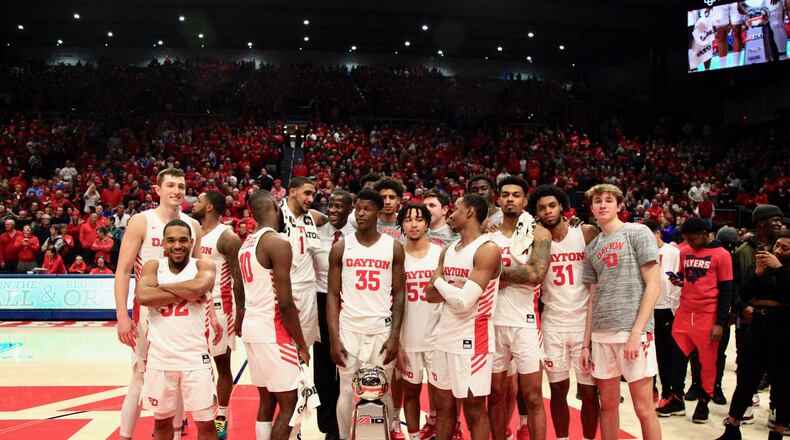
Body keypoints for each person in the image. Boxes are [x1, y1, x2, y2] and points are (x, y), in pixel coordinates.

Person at [114, 168, 203, 440]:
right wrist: (122, 316)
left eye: (181, 185)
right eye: (171, 185)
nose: (177, 190)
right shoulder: (142, 221)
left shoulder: (193, 226)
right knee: (139, 379)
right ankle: (125, 436)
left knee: (177, 380)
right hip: (148, 316)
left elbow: (199, 274)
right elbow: (123, 270)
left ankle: (175, 434)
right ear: (158, 190)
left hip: (184, 316)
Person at [579, 184, 662, 440]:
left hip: (632, 332)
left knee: (643, 408)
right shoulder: (592, 248)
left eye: (608, 200)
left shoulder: (637, 233)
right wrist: (586, 344)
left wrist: (637, 332)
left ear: (619, 206)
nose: (602, 205)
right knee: (609, 405)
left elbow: (654, 284)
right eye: (597, 201)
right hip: (602, 334)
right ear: (591, 207)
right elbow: (592, 298)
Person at [327, 189, 405, 440]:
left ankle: (382, 436)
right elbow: (331, 295)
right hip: (349, 327)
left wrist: (395, 336)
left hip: (381, 328)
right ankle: (344, 437)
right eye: (357, 208)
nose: (360, 213)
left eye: (367, 209)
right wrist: (334, 338)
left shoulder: (393, 247)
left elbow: (400, 295)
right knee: (347, 392)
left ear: (379, 212)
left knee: (383, 391)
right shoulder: (341, 247)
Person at [135, 219, 220, 440]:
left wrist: (159, 289)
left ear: (192, 241)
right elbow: (143, 296)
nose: (177, 245)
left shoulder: (204, 265)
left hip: (195, 358)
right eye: (171, 240)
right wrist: (187, 291)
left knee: (206, 426)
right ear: (163, 243)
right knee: (161, 423)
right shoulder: (153, 266)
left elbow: (201, 286)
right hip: (160, 359)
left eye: (183, 240)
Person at [426, 194, 501, 440]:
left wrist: (439, 280)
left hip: (473, 340)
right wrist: (452, 286)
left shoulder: (487, 249)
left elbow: (463, 302)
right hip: (444, 337)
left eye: (456, 209)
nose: (450, 214)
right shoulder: (447, 250)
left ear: (470, 212)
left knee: (475, 409)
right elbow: (429, 295)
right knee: (444, 408)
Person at [238, 190, 311, 440]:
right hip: (273, 330)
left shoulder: (247, 243)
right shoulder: (277, 243)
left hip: (253, 326)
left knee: (266, 400)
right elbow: (286, 303)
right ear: (273, 205)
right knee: (292, 404)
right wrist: (301, 344)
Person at [529, 185, 600, 440]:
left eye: (552, 206)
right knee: (558, 390)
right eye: (541, 208)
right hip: (553, 323)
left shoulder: (585, 232)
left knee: (589, 391)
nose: (548, 211)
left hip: (583, 322)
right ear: (536, 213)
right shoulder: (535, 239)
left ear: (562, 207)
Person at [488, 177, 551, 440]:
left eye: (516, 195)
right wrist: (516, 273)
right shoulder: (487, 234)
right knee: (495, 395)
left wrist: (493, 274)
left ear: (525, 200)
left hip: (525, 322)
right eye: (506, 194)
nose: (510, 199)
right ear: (498, 199)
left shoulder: (539, 233)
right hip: (491, 322)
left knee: (533, 395)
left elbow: (537, 272)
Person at [656, 217, 733, 424]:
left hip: (708, 316)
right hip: (684, 313)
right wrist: (678, 280)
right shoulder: (685, 251)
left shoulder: (722, 255)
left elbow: (726, 291)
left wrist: (720, 322)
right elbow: (687, 277)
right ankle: (676, 398)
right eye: (687, 239)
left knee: (707, 362)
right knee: (677, 358)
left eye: (693, 239)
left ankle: (703, 401)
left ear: (707, 234)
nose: (690, 242)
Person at [716, 231, 790, 440]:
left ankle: (777, 432)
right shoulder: (764, 268)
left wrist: (780, 268)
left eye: (785, 248)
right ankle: (732, 427)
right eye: (777, 246)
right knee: (746, 376)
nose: (778, 250)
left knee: (782, 381)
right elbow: (745, 292)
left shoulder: (781, 269)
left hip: (783, 326)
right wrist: (757, 273)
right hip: (758, 323)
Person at [192, 190, 244, 440]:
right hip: (194, 308)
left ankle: (221, 416)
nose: (195, 203)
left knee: (221, 365)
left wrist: (241, 312)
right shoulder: (193, 233)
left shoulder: (228, 237)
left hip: (222, 310)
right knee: (192, 364)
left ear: (210, 207)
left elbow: (239, 277)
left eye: (199, 200)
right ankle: (193, 415)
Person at [396, 203, 443, 440]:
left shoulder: (440, 253)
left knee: (443, 394)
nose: (413, 224)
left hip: (438, 336)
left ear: (427, 223)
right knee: (411, 392)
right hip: (409, 336)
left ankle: (441, 428)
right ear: (401, 224)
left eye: (418, 219)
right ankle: (413, 436)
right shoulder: (397, 254)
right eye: (407, 219)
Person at [313, 190, 355, 440]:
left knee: (349, 365)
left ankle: (347, 420)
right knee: (324, 367)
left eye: (340, 206)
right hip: (321, 301)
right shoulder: (316, 233)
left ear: (350, 209)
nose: (334, 210)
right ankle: (330, 426)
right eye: (331, 205)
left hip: (349, 302)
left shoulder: (356, 236)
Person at [281, 177, 327, 349]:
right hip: (286, 290)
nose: (311, 199)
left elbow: (333, 219)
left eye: (313, 194)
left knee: (304, 348)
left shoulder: (312, 217)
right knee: (285, 347)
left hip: (308, 290)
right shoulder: (276, 215)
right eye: (307, 193)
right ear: (292, 192)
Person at [642, 220, 681, 406]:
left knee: (665, 354)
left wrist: (673, 308)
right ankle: (652, 387)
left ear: (658, 234)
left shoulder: (673, 252)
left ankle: (667, 391)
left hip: (665, 310)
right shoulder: (640, 253)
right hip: (645, 310)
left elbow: (676, 281)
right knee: (647, 353)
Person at [375, 177, 406, 243]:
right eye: (383, 198)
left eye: (392, 197)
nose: (387, 202)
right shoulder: (370, 225)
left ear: (398, 200)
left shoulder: (407, 225)